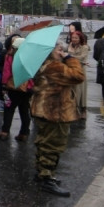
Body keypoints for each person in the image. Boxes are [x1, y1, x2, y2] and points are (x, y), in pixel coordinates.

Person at [29, 42, 85, 197]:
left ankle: (42, 173)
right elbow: (79, 76)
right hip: (55, 112)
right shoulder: (54, 67)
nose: (62, 51)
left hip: (45, 110)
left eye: (62, 49)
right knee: (53, 145)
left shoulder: (44, 65)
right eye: (58, 49)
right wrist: (69, 58)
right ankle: (47, 178)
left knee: (44, 142)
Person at [0, 36, 33, 142]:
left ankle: (5, 131)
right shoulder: (30, 57)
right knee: (24, 110)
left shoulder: (10, 57)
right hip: (27, 88)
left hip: (13, 87)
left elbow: (6, 72)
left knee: (9, 109)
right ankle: (24, 133)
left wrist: (4, 85)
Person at [67, 29, 90, 119]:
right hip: (70, 70)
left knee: (81, 90)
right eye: (73, 38)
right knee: (72, 90)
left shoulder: (84, 47)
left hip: (80, 70)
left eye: (76, 38)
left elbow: (82, 58)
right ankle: (73, 109)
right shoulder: (69, 46)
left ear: (80, 38)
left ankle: (83, 109)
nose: (74, 39)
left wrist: (69, 57)